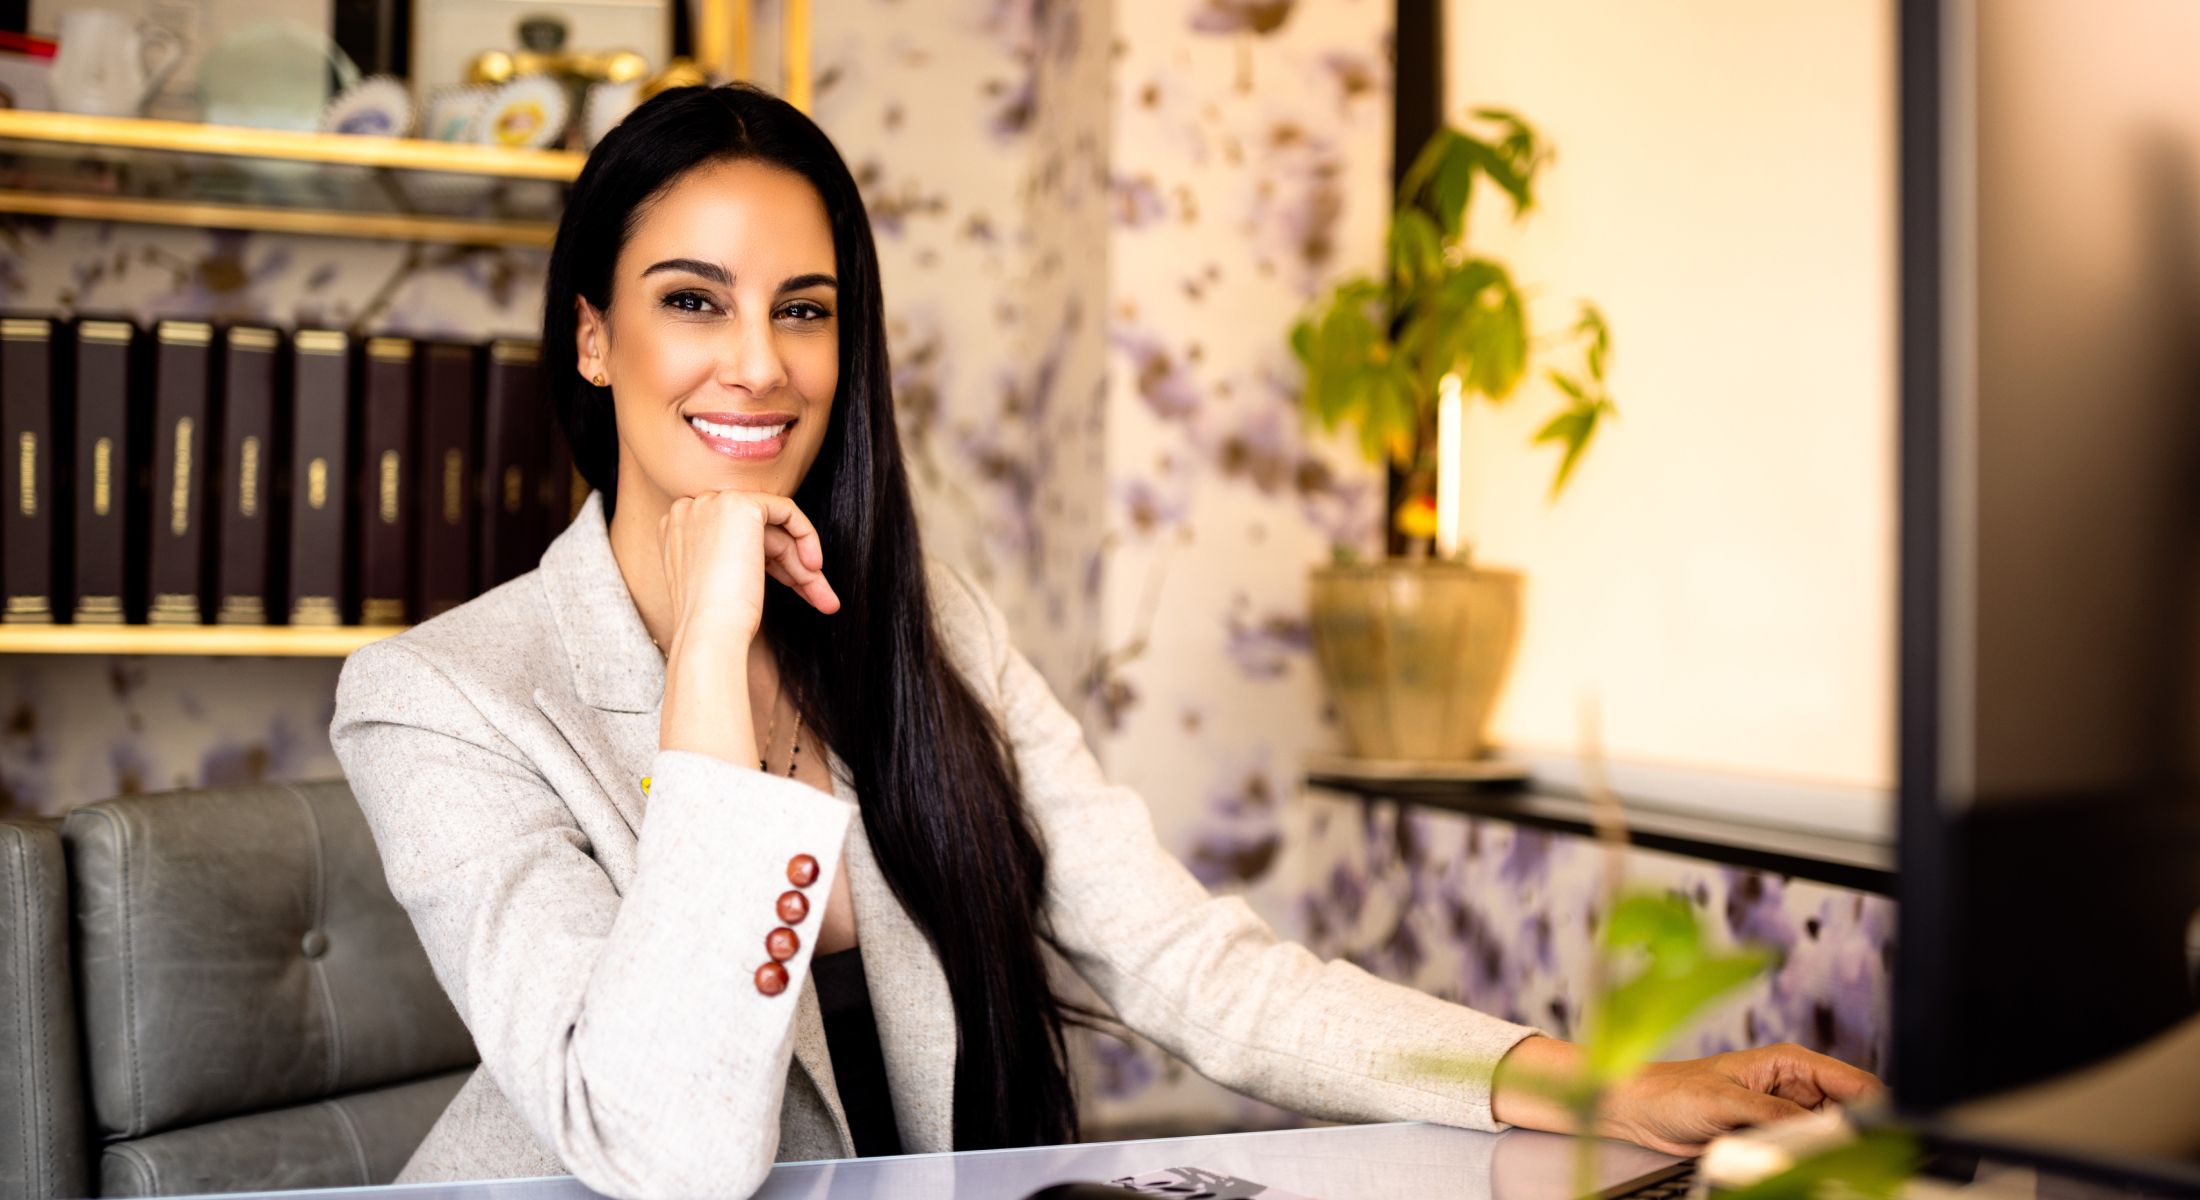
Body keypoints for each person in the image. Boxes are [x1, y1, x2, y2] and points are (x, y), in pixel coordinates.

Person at [328, 83, 1879, 1200]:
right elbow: (668, 1156)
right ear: (594, 338)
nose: (758, 363)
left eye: (804, 309)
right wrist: (707, 644)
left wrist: (1600, 1086)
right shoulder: (440, 700)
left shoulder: (920, 630)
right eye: (692, 301)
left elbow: (1189, 965)